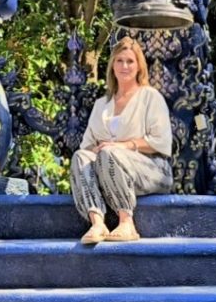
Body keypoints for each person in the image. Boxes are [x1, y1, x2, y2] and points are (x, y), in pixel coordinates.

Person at [70, 36, 173, 242]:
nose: (124, 66)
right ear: (112, 66)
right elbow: (87, 144)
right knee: (80, 156)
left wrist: (122, 146)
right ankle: (98, 224)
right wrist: (97, 151)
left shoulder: (150, 97)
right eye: (119, 60)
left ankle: (127, 223)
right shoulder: (102, 104)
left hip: (152, 170)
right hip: (107, 167)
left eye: (130, 61)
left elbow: (161, 141)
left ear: (139, 67)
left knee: (110, 152)